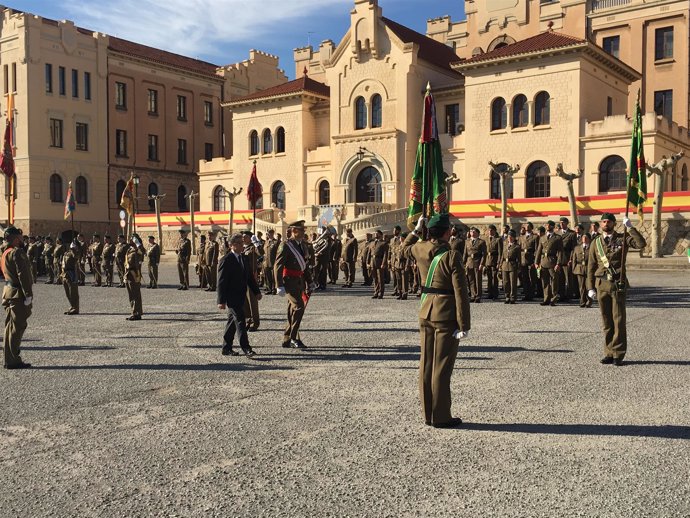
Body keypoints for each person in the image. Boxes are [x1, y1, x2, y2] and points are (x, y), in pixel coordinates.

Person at [402, 214, 471, 428]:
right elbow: (461, 292)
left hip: (425, 311)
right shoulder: (452, 255)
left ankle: (427, 414)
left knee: (426, 365)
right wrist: (464, 324)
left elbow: (402, 249)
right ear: (446, 232)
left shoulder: (419, 248)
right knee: (441, 367)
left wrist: (415, 231)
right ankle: (441, 416)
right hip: (445, 314)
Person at [587, 213, 646, 365]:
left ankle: (618, 354)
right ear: (600, 224)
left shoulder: (622, 238)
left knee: (618, 320)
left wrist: (630, 228)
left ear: (614, 223)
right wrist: (590, 287)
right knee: (606, 321)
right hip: (601, 285)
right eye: (603, 221)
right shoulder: (596, 242)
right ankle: (608, 352)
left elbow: (641, 244)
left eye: (609, 221)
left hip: (617, 285)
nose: (606, 224)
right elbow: (591, 267)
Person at [217, 233, 262, 357]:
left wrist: (256, 291)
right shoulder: (226, 260)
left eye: (242, 243)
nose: (242, 245)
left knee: (232, 322)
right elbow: (221, 282)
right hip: (231, 297)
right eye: (239, 243)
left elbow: (249, 277)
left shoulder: (243, 258)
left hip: (241, 295)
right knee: (241, 321)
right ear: (231, 245)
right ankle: (246, 348)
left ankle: (226, 347)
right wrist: (221, 300)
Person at [275, 220, 314, 349]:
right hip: (289, 281)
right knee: (299, 307)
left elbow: (304, 265)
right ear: (293, 231)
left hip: (299, 280)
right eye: (301, 230)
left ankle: (287, 338)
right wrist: (278, 284)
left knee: (291, 310)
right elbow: (278, 265)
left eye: (304, 230)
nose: (304, 232)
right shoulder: (286, 245)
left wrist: (310, 281)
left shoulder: (302, 245)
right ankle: (293, 337)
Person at [2, 227, 34, 369]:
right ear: (15, 238)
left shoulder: (4, 252)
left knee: (10, 326)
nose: (22, 239)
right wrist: (28, 294)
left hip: (8, 291)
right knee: (17, 326)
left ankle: (9, 358)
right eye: (20, 237)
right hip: (17, 293)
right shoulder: (17, 252)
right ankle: (12, 359)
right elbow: (24, 275)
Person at [535, 220, 564, 306]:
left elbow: (560, 252)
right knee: (545, 281)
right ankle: (546, 298)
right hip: (544, 261)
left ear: (552, 227)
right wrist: (536, 262)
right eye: (546, 225)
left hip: (553, 261)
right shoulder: (542, 237)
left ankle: (554, 298)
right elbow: (538, 251)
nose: (547, 226)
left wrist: (558, 263)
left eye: (549, 225)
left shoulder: (558, 238)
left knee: (554, 281)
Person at [462, 227, 486, 303]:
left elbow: (484, 254)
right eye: (471, 231)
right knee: (471, 280)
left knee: (477, 280)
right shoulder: (467, 241)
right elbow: (465, 253)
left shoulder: (481, 242)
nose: (472, 232)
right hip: (469, 262)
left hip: (477, 262)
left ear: (477, 233)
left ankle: (478, 296)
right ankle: (473, 295)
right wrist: (463, 263)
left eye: (473, 231)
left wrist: (482, 264)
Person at [125, 234, 145, 321]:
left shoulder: (138, 250)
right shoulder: (130, 250)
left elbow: (142, 251)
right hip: (128, 274)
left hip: (134, 275)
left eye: (132, 239)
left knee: (135, 294)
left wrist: (137, 243)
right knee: (131, 295)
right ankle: (134, 312)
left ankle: (137, 313)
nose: (129, 240)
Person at [500, 229, 521, 304]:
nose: (509, 238)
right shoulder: (505, 244)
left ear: (514, 237)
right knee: (505, 282)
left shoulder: (517, 246)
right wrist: (500, 264)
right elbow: (502, 255)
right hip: (505, 265)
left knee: (513, 282)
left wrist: (518, 267)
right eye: (509, 236)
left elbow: (519, 258)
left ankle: (513, 297)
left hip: (513, 265)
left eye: (511, 236)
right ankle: (507, 296)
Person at [571, 233, 592, 308]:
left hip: (589, 268)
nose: (584, 239)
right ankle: (582, 301)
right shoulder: (577, 248)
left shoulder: (592, 248)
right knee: (581, 286)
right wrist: (574, 269)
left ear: (589, 239)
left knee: (589, 286)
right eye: (583, 237)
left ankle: (589, 301)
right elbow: (574, 259)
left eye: (586, 237)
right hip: (579, 268)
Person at [519, 222, 539, 301]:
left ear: (531, 227)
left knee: (532, 278)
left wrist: (535, 261)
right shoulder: (521, 237)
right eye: (525, 226)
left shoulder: (535, 237)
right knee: (525, 278)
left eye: (528, 225)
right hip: (523, 259)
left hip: (531, 259)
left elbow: (537, 249)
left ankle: (531, 294)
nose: (526, 227)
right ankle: (526, 294)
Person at [61, 240, 80, 315]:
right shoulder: (67, 253)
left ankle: (76, 308)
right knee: (68, 292)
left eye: (73, 245)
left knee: (73, 292)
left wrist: (73, 249)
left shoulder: (75, 252)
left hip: (71, 274)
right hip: (65, 274)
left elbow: (76, 257)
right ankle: (72, 306)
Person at [370, 229, 389, 299]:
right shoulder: (372, 243)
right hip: (373, 261)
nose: (376, 235)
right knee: (374, 278)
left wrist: (383, 263)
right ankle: (376, 292)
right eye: (375, 234)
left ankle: (381, 293)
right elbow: (370, 253)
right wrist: (369, 262)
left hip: (379, 261)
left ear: (381, 235)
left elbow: (385, 254)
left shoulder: (383, 243)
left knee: (380, 278)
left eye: (377, 234)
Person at [485, 224, 503, 299]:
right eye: (489, 230)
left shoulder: (498, 239)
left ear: (495, 231)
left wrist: (499, 262)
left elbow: (500, 252)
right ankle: (490, 293)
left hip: (495, 260)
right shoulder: (486, 239)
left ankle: (495, 293)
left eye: (491, 230)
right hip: (488, 260)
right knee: (489, 278)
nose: (490, 232)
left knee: (494, 278)